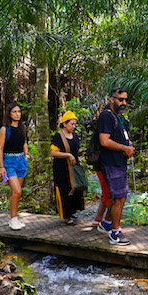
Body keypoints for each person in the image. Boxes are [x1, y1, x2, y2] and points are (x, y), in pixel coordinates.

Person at [94, 88, 134, 246]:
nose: (123, 103)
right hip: (110, 163)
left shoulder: (119, 117)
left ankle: (107, 224)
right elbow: (104, 141)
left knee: (121, 196)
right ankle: (114, 233)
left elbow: (118, 137)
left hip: (119, 162)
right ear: (112, 99)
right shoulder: (106, 116)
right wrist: (124, 148)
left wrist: (127, 144)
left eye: (125, 100)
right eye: (120, 99)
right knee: (118, 197)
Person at [0, 102, 29, 230]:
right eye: (14, 111)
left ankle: (14, 218)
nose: (17, 114)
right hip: (8, 163)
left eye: (19, 111)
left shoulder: (22, 128)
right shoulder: (5, 129)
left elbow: (24, 142)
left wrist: (26, 156)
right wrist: (1, 166)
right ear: (9, 114)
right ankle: (13, 219)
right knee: (17, 191)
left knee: (16, 193)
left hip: (21, 162)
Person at [50, 111, 85, 225]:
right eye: (71, 124)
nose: (73, 127)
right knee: (64, 190)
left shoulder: (74, 135)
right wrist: (68, 155)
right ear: (64, 124)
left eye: (75, 124)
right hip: (62, 168)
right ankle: (66, 216)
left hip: (73, 167)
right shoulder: (58, 136)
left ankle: (73, 211)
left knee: (75, 188)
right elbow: (53, 152)